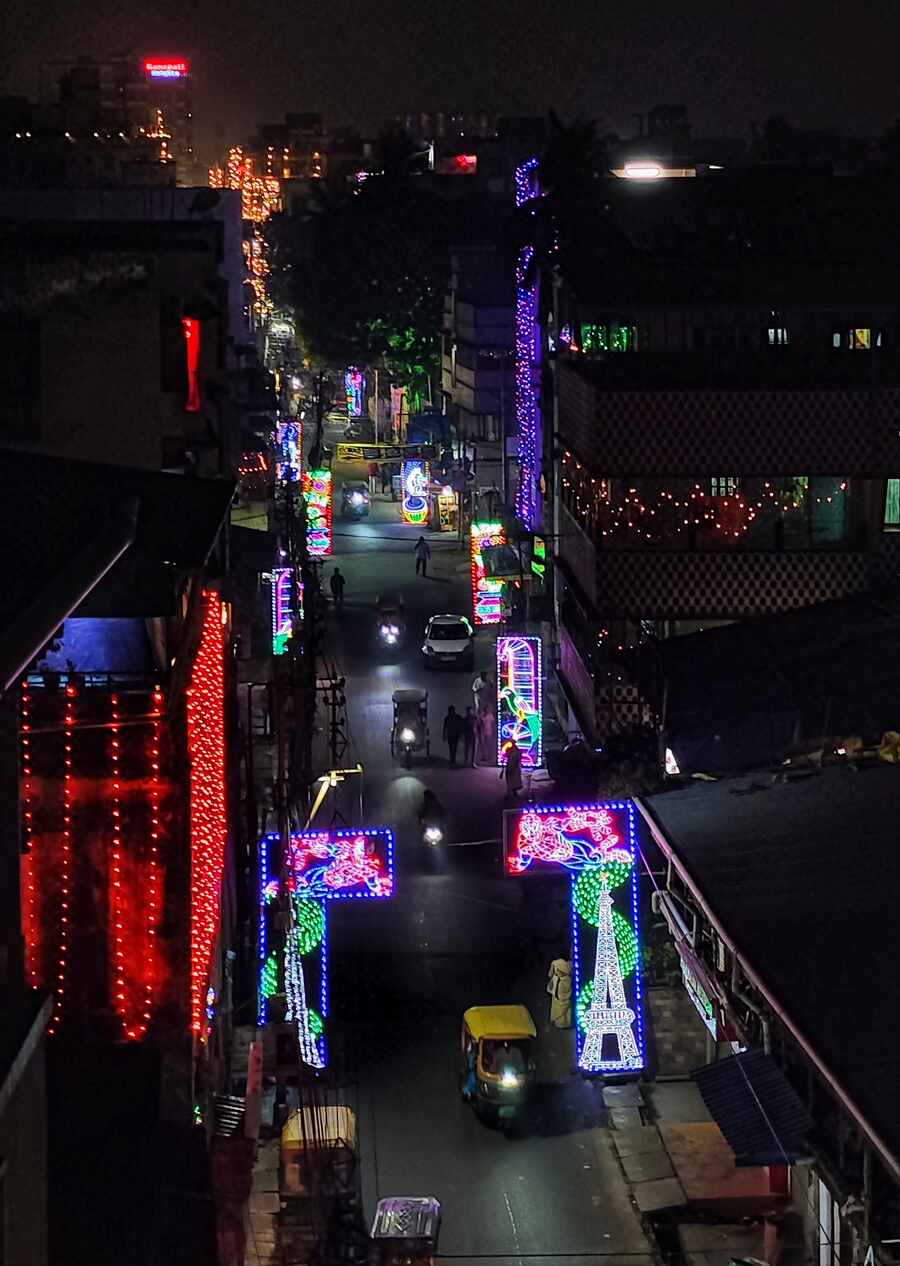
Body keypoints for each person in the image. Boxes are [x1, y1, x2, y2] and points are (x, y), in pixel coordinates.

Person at [547, 958, 573, 1028]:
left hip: (560, 990)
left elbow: (550, 974)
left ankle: (561, 1023)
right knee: (565, 1006)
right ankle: (564, 1023)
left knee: (560, 1005)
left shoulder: (555, 963)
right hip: (564, 987)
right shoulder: (570, 964)